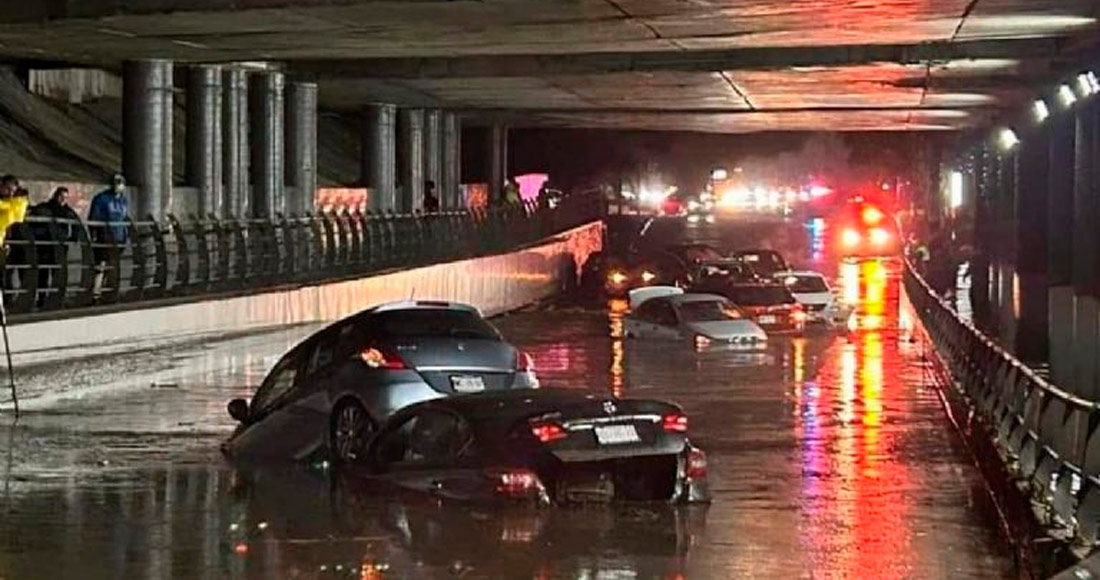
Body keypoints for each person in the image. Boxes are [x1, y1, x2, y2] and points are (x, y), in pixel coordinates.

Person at [30, 187, 80, 306]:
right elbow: (33, 222)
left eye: (66, 198)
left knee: (56, 273)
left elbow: (77, 225)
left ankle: (53, 298)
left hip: (59, 246)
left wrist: (73, 237)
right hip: (46, 245)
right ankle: (43, 298)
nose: (63, 200)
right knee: (44, 273)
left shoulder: (67, 211)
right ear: (55, 196)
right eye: (61, 196)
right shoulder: (45, 208)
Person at [88, 174, 131, 298]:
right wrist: (95, 234)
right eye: (116, 183)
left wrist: (125, 235)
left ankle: (108, 292)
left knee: (112, 267)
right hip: (104, 237)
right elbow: (94, 218)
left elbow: (124, 218)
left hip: (119, 238)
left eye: (120, 183)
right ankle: (96, 292)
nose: (118, 185)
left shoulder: (123, 200)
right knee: (100, 265)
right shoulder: (102, 199)